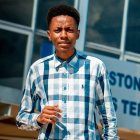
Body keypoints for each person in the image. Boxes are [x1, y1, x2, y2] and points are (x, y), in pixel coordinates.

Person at [16, 4, 119, 140]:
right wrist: (38, 118)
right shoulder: (37, 69)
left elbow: (108, 118)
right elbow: (20, 119)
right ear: (49, 35)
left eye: (69, 30)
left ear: (78, 34)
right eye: (58, 30)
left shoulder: (96, 67)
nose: (63, 35)